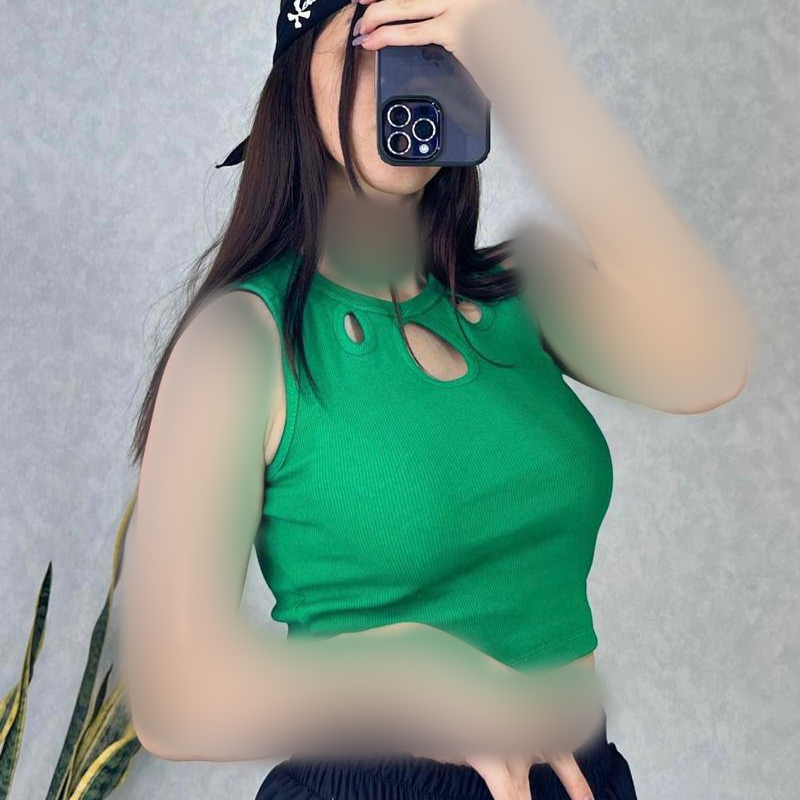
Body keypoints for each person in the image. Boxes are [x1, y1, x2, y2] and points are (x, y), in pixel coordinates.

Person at [120, 1, 755, 799]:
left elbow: (709, 362)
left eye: (436, 45)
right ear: (299, 69)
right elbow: (174, 700)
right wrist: (412, 672)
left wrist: (536, 79)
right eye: (374, 38)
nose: (408, 72)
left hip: (583, 777)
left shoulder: (525, 288)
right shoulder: (242, 342)